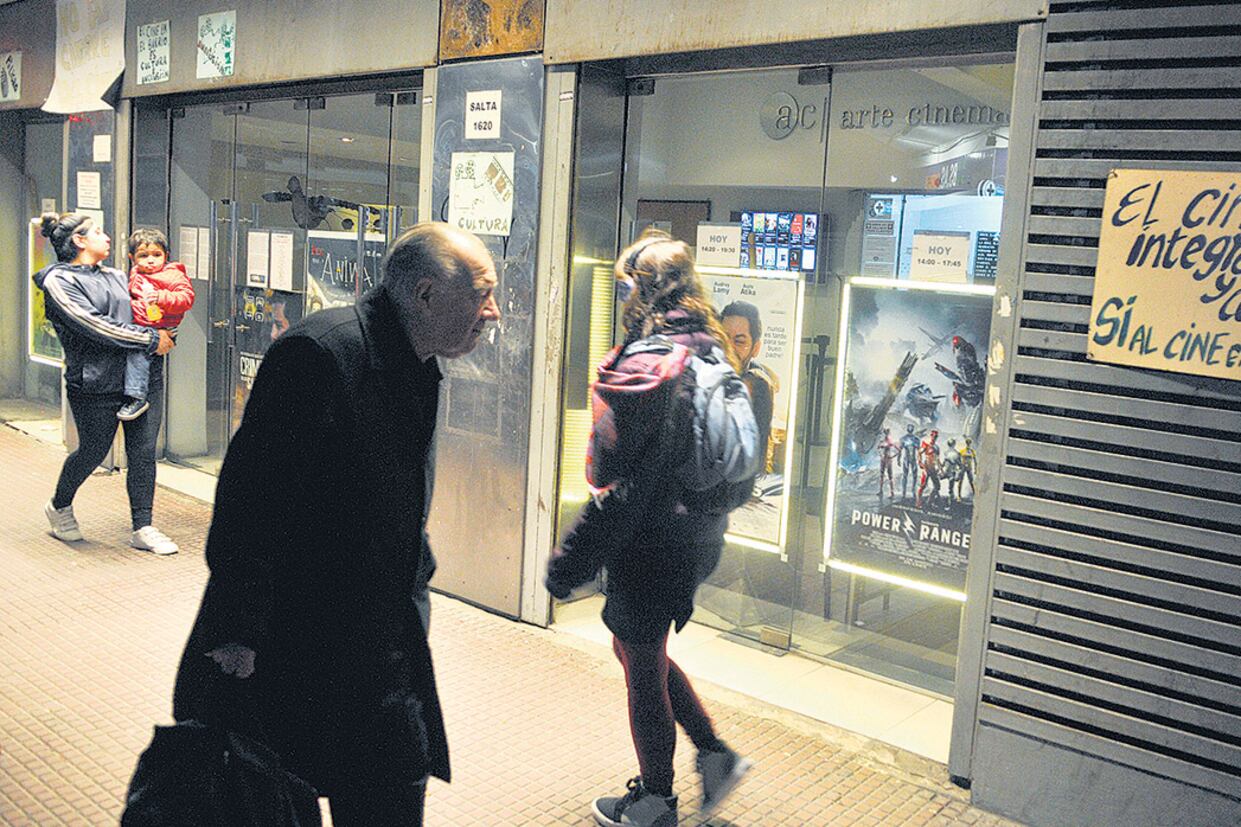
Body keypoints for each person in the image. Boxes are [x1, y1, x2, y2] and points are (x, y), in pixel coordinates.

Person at [171, 223, 500, 826]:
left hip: (381, 650)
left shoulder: (418, 364)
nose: (493, 312)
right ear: (425, 294)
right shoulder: (319, 354)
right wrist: (236, 633)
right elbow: (250, 503)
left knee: (394, 788)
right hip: (290, 649)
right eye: (483, 294)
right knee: (270, 800)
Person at [547, 231, 752, 827]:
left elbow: (622, 486)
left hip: (652, 542)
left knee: (641, 669)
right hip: (700, 536)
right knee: (638, 648)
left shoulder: (650, 364)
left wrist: (572, 561)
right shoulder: (712, 349)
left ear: (642, 290)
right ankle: (715, 756)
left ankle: (656, 800)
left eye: (628, 286)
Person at [33, 212, 179, 555]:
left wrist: (167, 327)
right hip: (94, 383)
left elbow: (146, 313)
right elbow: (95, 327)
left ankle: (142, 526)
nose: (107, 236)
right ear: (79, 241)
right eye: (97, 231)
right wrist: (148, 339)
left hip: (141, 380)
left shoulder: (117, 275)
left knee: (143, 453)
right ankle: (60, 505)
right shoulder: (59, 281)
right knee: (94, 451)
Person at [120, 228, 194, 421]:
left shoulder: (172, 275)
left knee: (138, 356)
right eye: (143, 256)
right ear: (132, 257)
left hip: (162, 328)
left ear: (166, 256)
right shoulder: (136, 274)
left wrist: (161, 296)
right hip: (143, 324)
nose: (151, 260)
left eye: (156, 255)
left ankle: (137, 396)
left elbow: (186, 298)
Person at [719, 300, 776, 470]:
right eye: (723, 338)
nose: (728, 348)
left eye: (739, 341)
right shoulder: (699, 378)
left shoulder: (757, 387)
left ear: (755, 348)